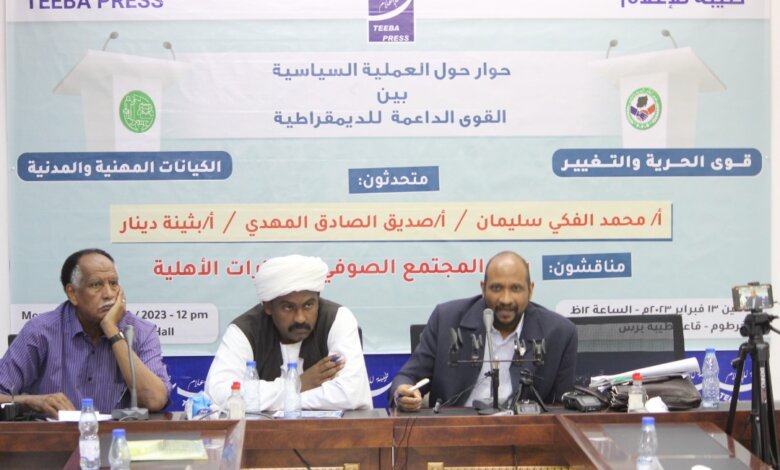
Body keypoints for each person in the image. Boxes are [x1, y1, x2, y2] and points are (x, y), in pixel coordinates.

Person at [391, 251, 577, 412]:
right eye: (496, 288)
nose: (506, 299)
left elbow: (564, 407)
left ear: (530, 290)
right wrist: (403, 393)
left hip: (526, 435)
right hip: (455, 431)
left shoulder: (559, 333)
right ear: (483, 288)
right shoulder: (446, 320)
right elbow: (407, 378)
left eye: (516, 289)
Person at [0, 249, 172, 418]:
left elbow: (155, 400)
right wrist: (31, 401)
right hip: (55, 435)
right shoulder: (40, 332)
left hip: (118, 435)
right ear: (72, 293)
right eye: (96, 285)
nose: (109, 294)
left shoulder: (140, 331)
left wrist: (112, 330)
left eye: (113, 283)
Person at [205, 254, 372, 410]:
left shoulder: (337, 318)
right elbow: (218, 393)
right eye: (288, 307)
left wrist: (290, 397)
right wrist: (297, 384)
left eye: (308, 305)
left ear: (318, 298)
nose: (300, 318)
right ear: (268, 306)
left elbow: (350, 394)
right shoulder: (245, 330)